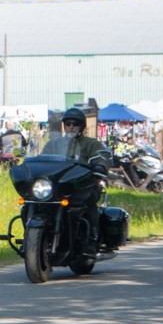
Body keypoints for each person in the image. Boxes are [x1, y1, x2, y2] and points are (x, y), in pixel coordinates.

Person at [42, 107, 109, 257]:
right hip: (57, 187)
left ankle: (92, 238)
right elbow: (42, 159)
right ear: (64, 125)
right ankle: (34, 238)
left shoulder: (91, 144)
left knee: (90, 201)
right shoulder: (53, 145)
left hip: (82, 187)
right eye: (68, 123)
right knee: (32, 203)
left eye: (75, 124)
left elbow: (101, 157)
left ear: (81, 126)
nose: (71, 126)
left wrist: (100, 165)